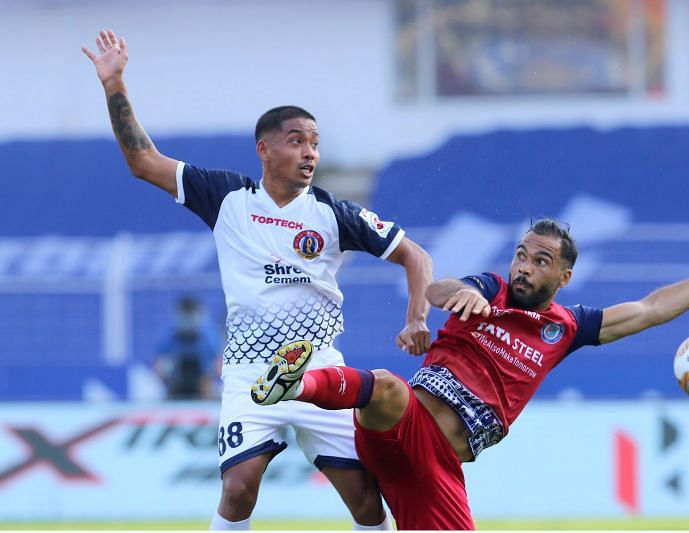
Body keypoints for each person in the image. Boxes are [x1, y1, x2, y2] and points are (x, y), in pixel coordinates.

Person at [83, 30, 433, 530]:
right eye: (297, 141)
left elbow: (415, 255)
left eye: (315, 143)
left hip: (320, 372)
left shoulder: (335, 214)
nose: (310, 153)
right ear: (264, 150)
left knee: (364, 500)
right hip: (250, 373)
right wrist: (114, 83)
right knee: (239, 486)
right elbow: (143, 161)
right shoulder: (227, 198)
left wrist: (417, 316)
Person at [252, 217, 689, 530]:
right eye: (521, 255)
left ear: (564, 276)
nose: (524, 266)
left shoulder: (567, 328)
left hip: (436, 471)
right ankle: (295, 383)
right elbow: (440, 288)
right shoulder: (490, 290)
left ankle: (302, 386)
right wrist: (460, 293)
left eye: (540, 260)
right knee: (386, 385)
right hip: (405, 424)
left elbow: (651, 308)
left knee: (375, 506)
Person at [154, 296, 222, 400]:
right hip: (176, 384)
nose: (188, 321)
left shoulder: (209, 336)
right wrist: (168, 377)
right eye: (185, 316)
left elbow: (219, 365)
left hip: (203, 385)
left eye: (191, 316)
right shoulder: (170, 335)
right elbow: (158, 367)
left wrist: (209, 377)